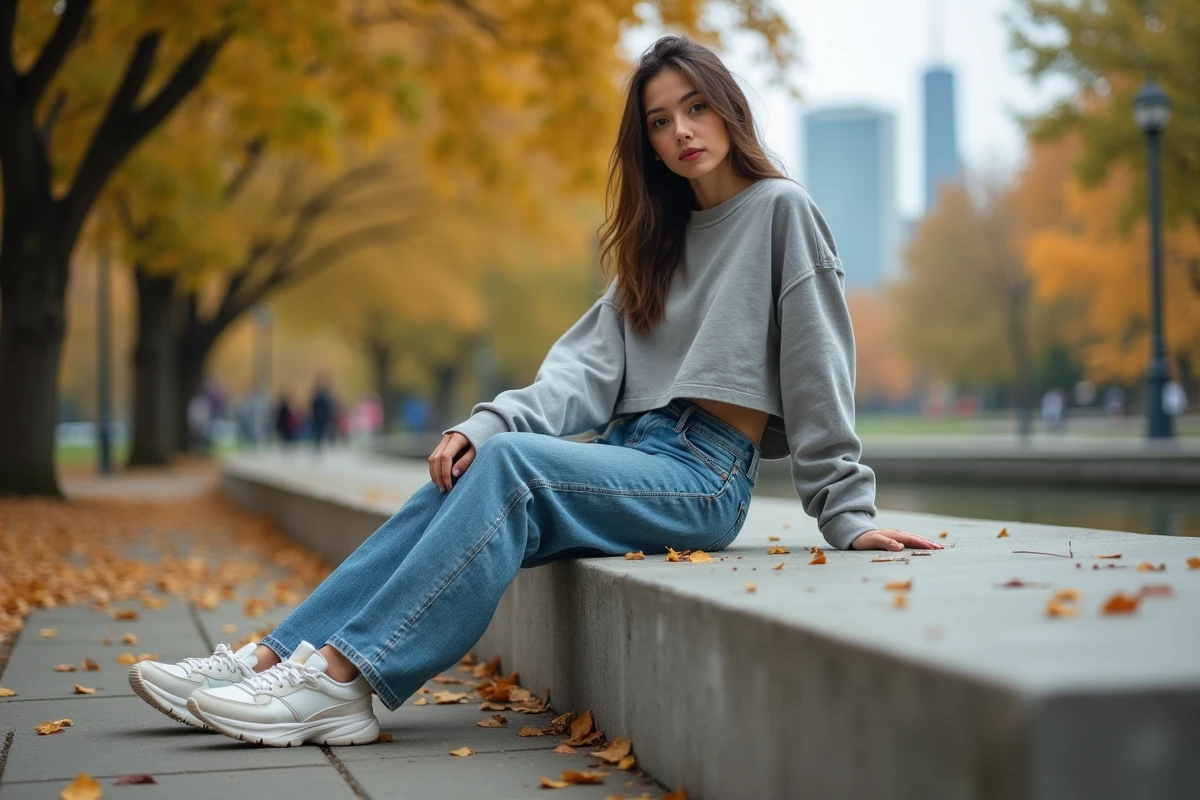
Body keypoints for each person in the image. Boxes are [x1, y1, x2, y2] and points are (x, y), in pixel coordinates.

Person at [128, 36, 941, 747]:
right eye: (660, 121)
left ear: (729, 110)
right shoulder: (654, 245)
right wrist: (484, 424)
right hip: (632, 456)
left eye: (695, 108)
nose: (681, 132)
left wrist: (846, 511)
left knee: (514, 466)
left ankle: (345, 680)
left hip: (706, 477)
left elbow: (819, 362)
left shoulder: (781, 212)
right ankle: (271, 655)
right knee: (458, 478)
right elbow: (580, 370)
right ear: (647, 144)